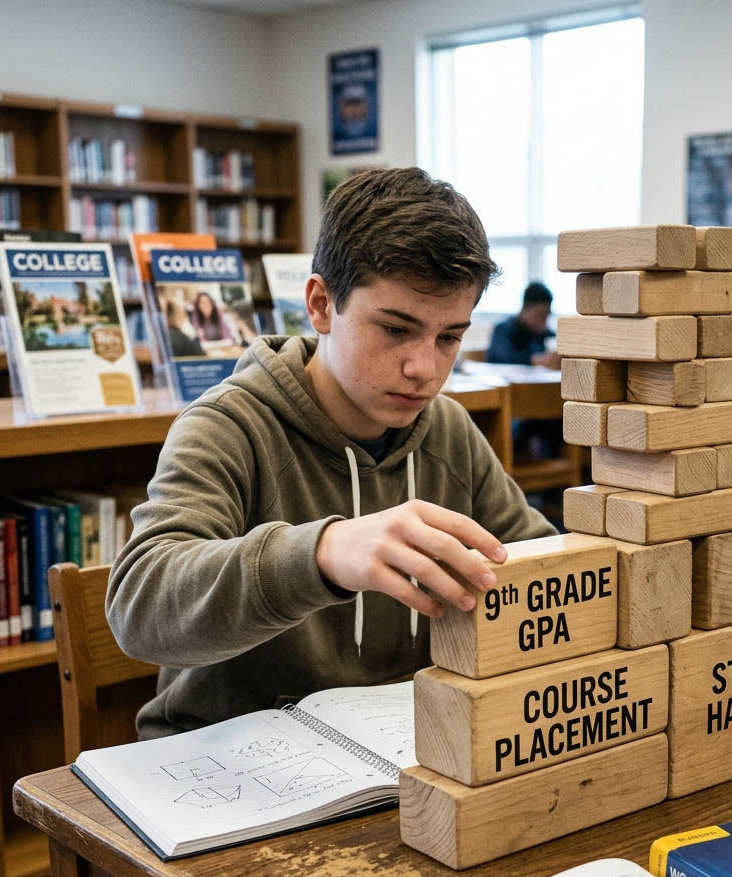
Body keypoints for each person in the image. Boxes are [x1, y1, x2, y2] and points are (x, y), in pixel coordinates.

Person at [107, 167, 555, 738]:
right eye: (395, 330)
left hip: (399, 754)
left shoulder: (448, 430)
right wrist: (321, 553)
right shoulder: (228, 426)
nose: (424, 369)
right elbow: (139, 607)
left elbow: (537, 562)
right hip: (228, 762)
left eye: (449, 337)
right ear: (321, 304)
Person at [487, 282, 559, 368]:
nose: (543, 321)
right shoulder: (503, 329)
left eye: (547, 315)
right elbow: (503, 358)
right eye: (540, 315)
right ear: (526, 308)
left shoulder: (547, 335)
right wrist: (537, 360)